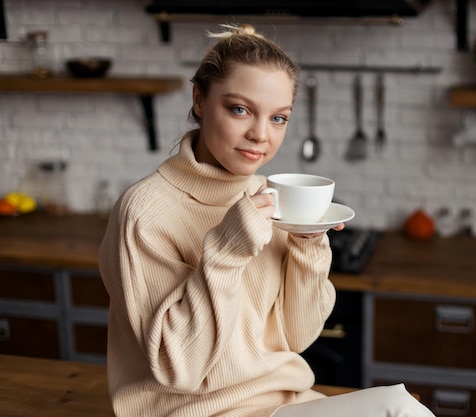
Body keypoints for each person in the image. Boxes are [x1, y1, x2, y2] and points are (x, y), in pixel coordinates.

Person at [99, 23, 435, 417]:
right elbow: (181, 370)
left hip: (285, 405)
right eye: (240, 109)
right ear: (200, 100)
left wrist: (308, 246)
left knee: (402, 409)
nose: (261, 135)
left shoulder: (266, 197)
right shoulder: (144, 211)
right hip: (195, 412)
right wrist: (225, 251)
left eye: (279, 118)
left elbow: (296, 337)